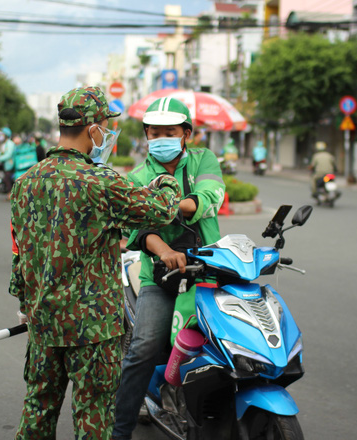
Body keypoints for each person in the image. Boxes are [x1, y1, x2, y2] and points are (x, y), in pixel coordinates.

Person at [9, 86, 183, 440]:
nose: (107, 133)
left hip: (43, 321)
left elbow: (21, 255)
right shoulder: (99, 181)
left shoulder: (24, 183)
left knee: (38, 411)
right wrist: (166, 179)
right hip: (92, 329)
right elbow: (161, 210)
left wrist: (25, 303)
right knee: (93, 419)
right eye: (105, 125)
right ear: (93, 129)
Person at [112, 97, 225, 440]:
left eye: (170, 132)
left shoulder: (204, 159)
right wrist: (162, 249)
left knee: (226, 344)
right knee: (144, 347)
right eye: (155, 132)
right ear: (146, 134)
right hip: (157, 276)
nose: (161, 138)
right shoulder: (137, 177)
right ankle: (119, 430)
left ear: (186, 134)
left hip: (207, 268)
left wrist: (174, 205)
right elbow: (135, 230)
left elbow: (212, 195)